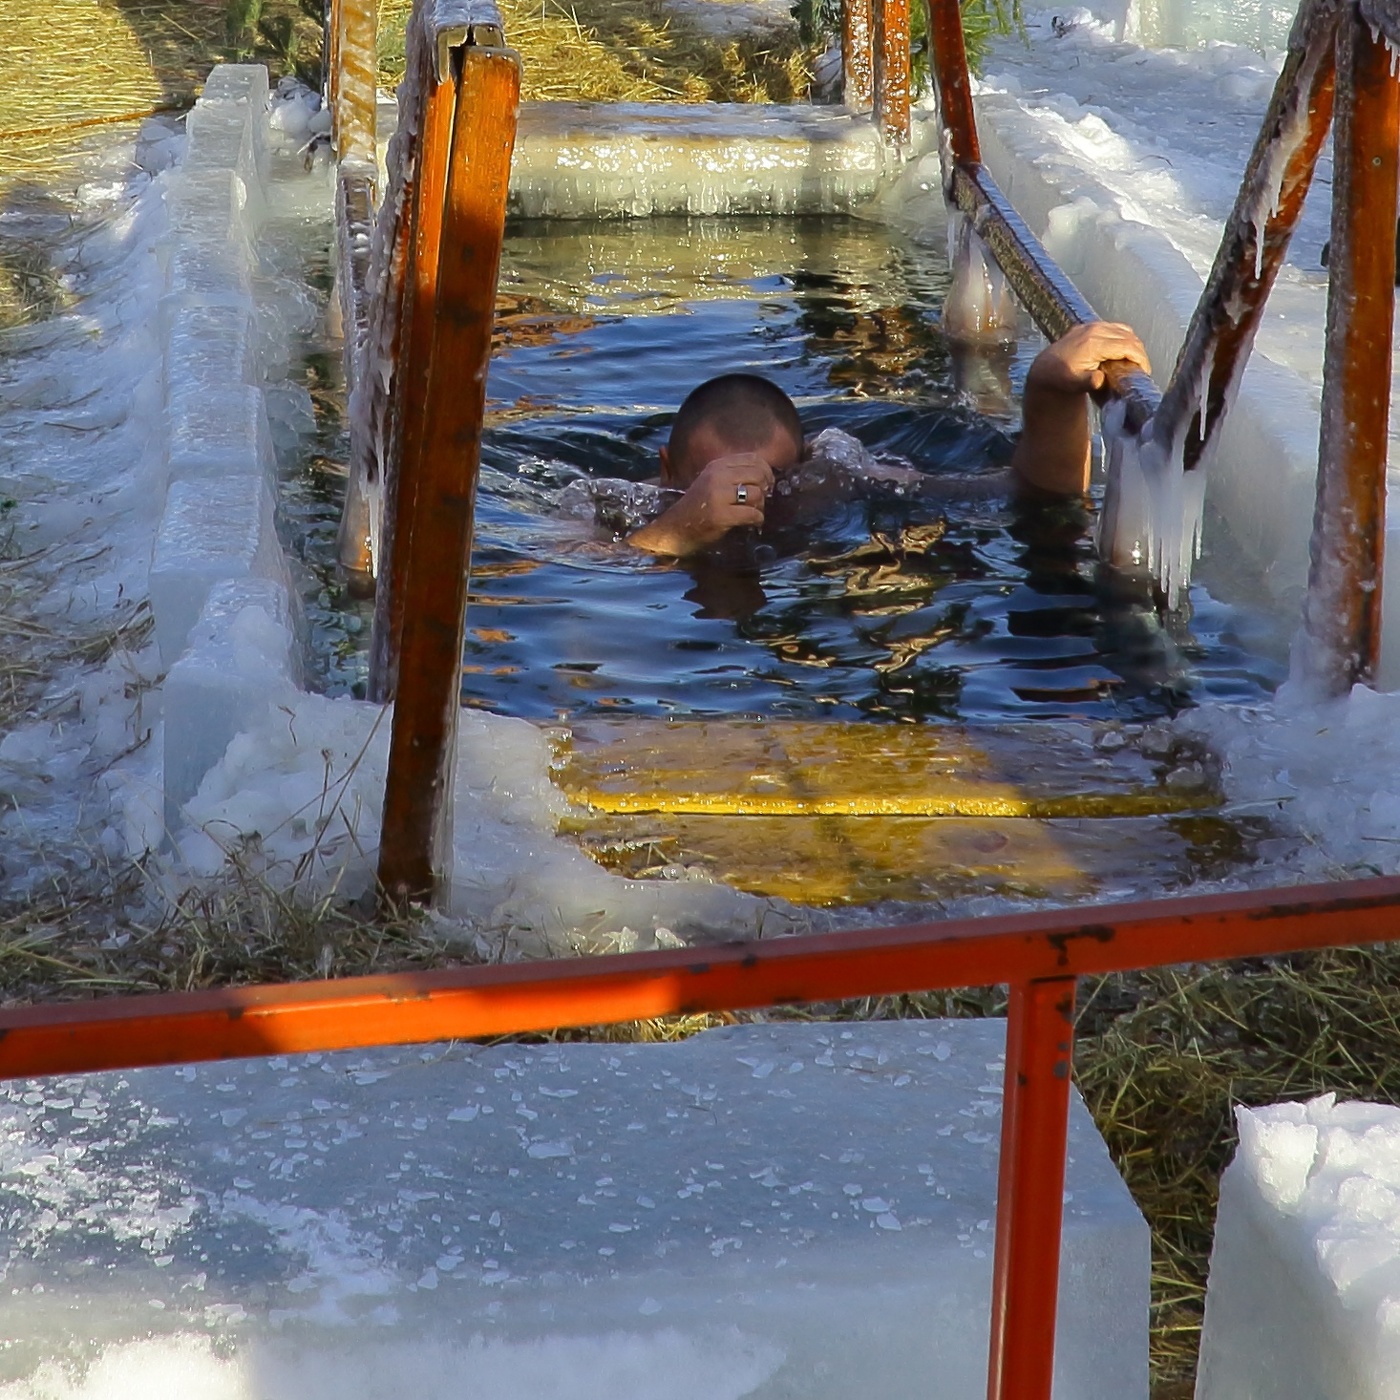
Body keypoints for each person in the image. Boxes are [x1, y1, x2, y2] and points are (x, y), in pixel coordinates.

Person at [624, 320, 1151, 558]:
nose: (745, 504)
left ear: (806, 462)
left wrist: (1049, 390)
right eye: (711, 482)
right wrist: (677, 530)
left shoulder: (836, 482)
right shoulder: (614, 505)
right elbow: (582, 575)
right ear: (667, 471)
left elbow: (1034, 492)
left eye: (771, 481)